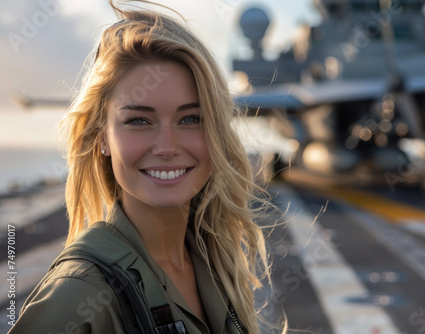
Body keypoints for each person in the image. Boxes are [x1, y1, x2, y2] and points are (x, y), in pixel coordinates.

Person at [9, 1, 278, 333]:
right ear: (101, 137)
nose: (167, 146)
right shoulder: (78, 295)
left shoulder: (214, 262)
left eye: (191, 118)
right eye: (138, 120)